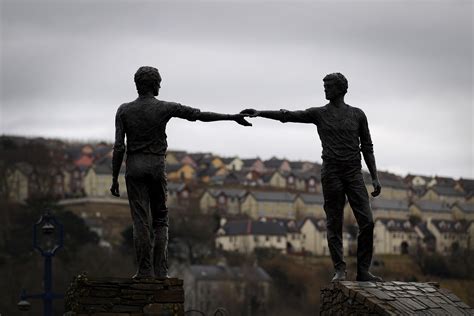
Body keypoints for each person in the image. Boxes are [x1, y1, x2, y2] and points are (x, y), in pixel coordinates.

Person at [110, 66, 251, 279]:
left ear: (137, 85)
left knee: (140, 221)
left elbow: (119, 147)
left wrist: (114, 178)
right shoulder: (165, 107)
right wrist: (231, 117)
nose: (160, 85)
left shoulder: (123, 110)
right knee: (160, 220)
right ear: (154, 84)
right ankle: (161, 272)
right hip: (156, 167)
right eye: (159, 82)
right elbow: (199, 115)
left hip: (134, 169)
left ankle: (144, 271)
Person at [241, 73, 383, 282]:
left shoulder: (358, 115)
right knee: (334, 222)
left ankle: (363, 270)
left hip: (354, 173)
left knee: (368, 222)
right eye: (324, 86)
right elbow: (288, 115)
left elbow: (367, 147)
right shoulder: (319, 114)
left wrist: (375, 177)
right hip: (332, 173)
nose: (325, 89)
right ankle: (340, 269)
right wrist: (260, 113)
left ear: (341, 89)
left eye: (329, 86)